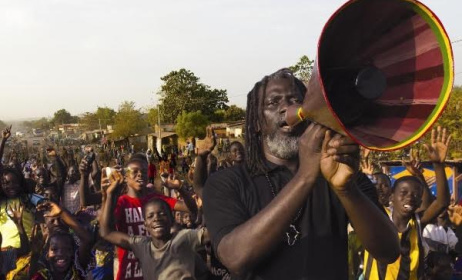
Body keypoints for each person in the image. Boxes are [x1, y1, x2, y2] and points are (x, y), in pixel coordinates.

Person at [202, 69, 399, 279]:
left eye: (295, 99)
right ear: (257, 123)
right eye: (273, 102)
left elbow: (389, 251)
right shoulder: (227, 182)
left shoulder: (339, 171)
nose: (286, 107)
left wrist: (347, 190)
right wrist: (305, 176)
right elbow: (235, 258)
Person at [363, 126, 451, 280]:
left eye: (416, 195)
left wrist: (438, 165)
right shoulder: (378, 219)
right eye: (403, 193)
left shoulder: (417, 223)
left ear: (419, 203)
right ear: (391, 196)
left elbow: (442, 202)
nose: (410, 197)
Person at [99, 172, 206, 280]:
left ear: (171, 219)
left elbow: (215, 231)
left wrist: (182, 188)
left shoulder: (184, 238)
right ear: (145, 224)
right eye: (150, 216)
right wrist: (109, 195)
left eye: (162, 214)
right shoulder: (142, 246)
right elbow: (106, 232)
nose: (156, 218)